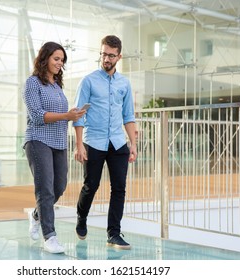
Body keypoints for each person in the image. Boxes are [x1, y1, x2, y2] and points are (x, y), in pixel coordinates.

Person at [72, 35, 137, 250]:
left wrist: (133, 144)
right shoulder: (88, 81)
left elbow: (128, 116)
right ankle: (82, 217)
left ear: (119, 56)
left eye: (110, 55)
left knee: (119, 188)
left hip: (118, 143)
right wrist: (79, 144)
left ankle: (114, 233)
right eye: (103, 54)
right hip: (94, 141)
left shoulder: (124, 83)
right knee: (91, 185)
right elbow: (79, 115)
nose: (106, 59)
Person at [22, 41, 86, 254]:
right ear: (45, 58)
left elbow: (61, 116)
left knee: (60, 186)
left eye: (62, 60)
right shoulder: (32, 83)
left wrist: (72, 114)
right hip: (38, 140)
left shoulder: (57, 86)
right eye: (56, 59)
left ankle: (36, 215)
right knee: (45, 189)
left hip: (58, 142)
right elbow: (37, 116)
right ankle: (50, 237)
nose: (60, 63)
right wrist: (67, 116)